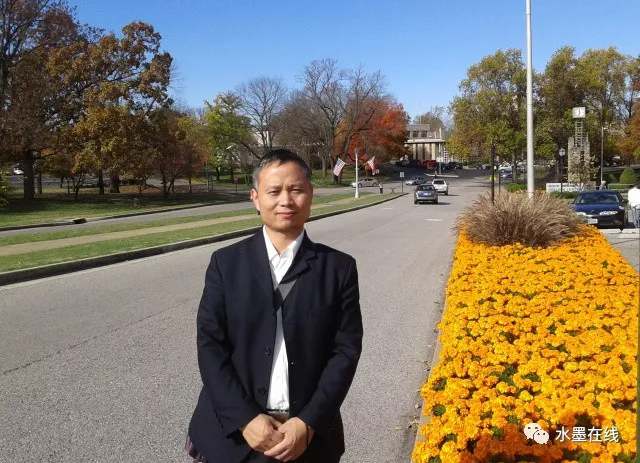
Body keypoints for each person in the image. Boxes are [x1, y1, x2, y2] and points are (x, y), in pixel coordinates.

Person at [185, 149, 363, 463]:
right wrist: (244, 419)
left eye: (295, 190)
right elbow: (210, 346)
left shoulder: (338, 268)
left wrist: (309, 421)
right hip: (233, 437)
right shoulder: (226, 264)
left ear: (310, 194)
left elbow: (345, 351)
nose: (285, 200)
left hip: (307, 439)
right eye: (274, 191)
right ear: (255, 198)